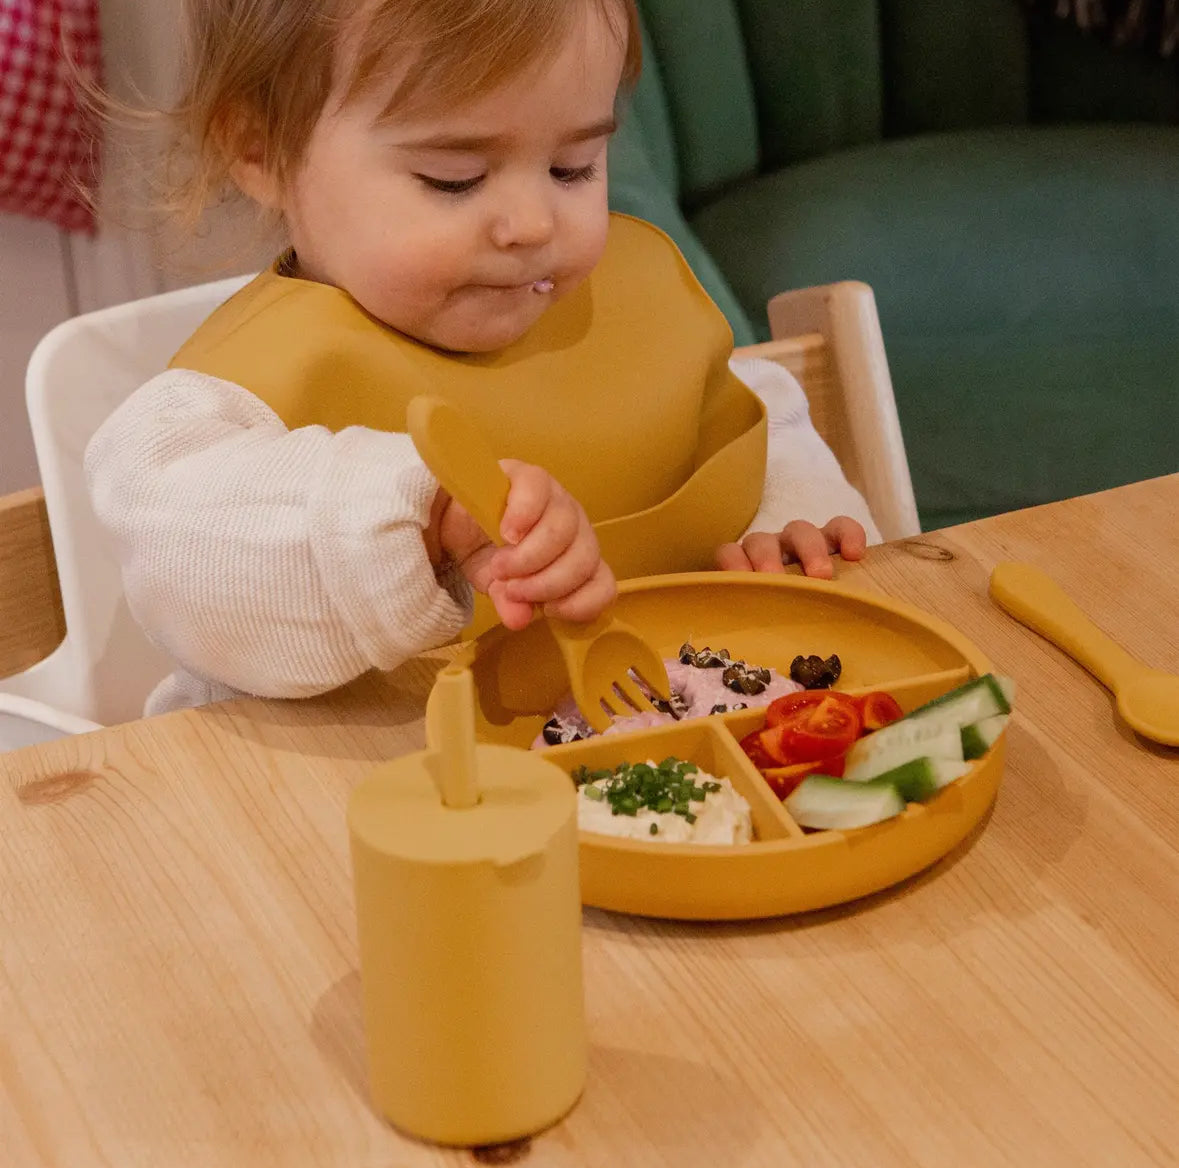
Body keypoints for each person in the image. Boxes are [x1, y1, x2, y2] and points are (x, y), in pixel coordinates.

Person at [85, 0, 881, 716]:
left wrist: (784, 522)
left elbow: (748, 415)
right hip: (351, 818)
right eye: (455, 179)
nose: (531, 222)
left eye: (573, 168)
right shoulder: (220, 405)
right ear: (260, 149)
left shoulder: (631, 297)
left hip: (655, 761)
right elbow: (180, 551)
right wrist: (417, 521)